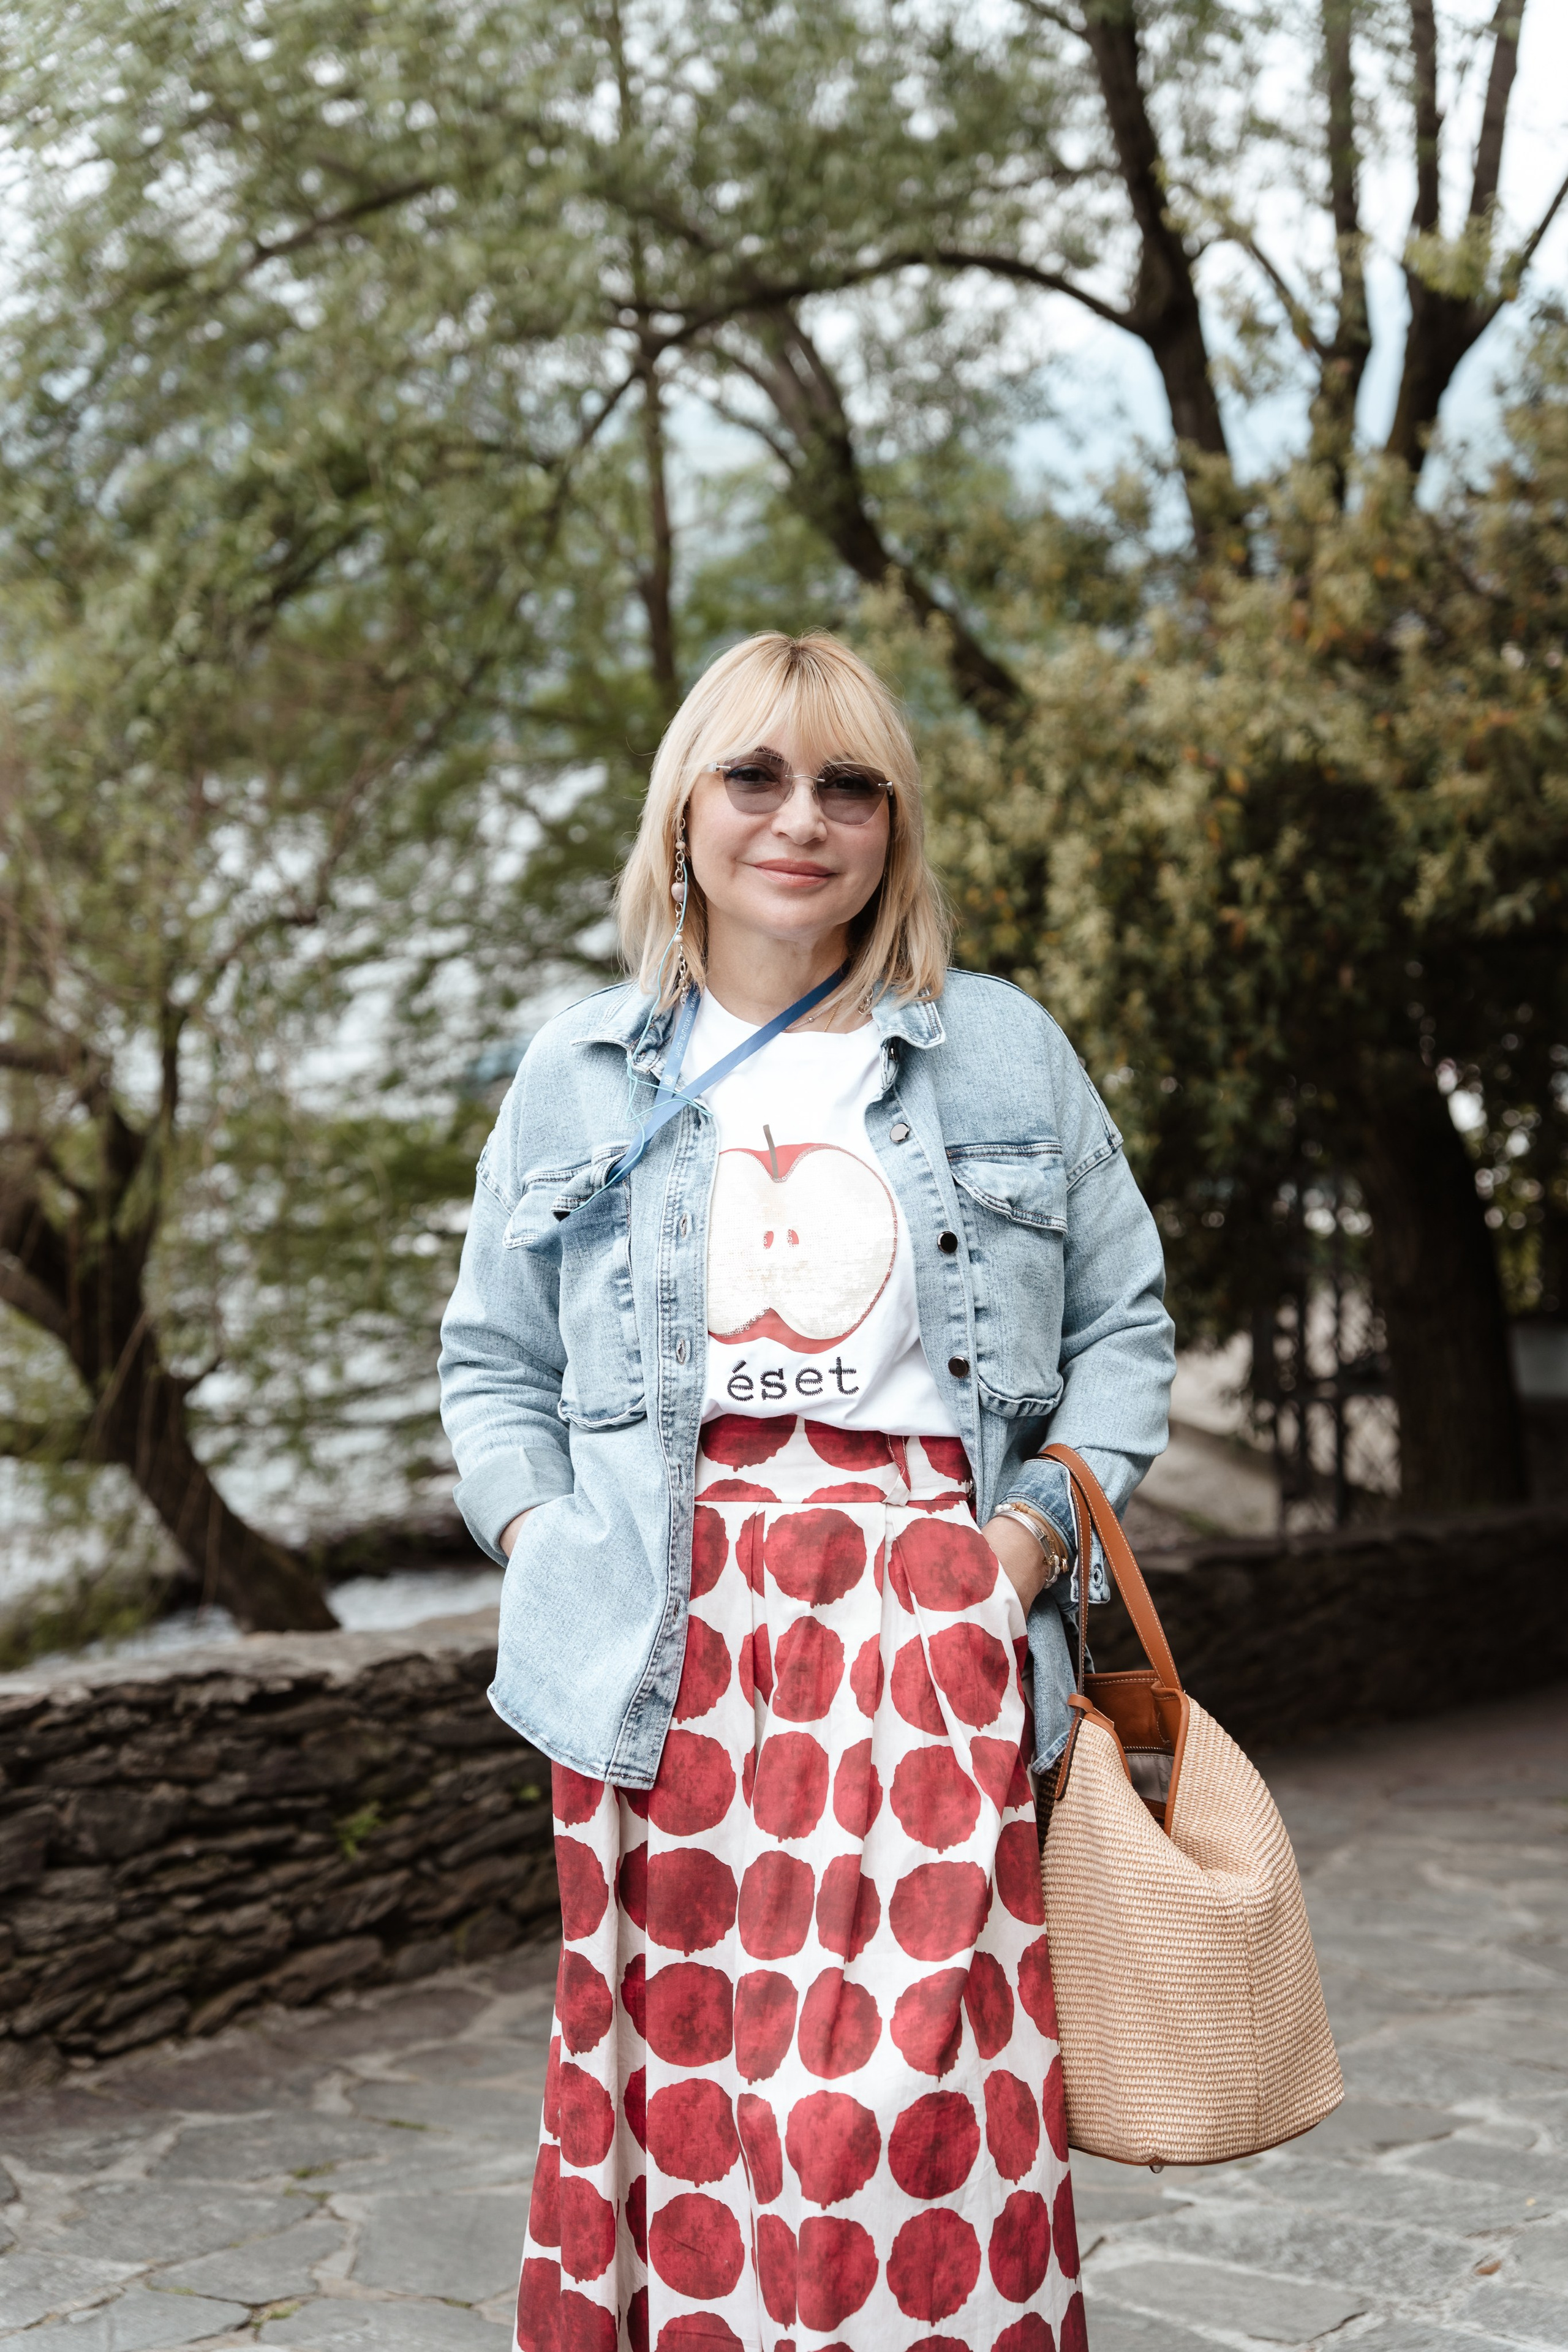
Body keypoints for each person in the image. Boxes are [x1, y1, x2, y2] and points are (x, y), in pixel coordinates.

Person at [439, 630, 1175, 2352]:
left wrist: (1013, 1551)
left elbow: (1123, 1330)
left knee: (896, 2117)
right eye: (755, 776)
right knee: (682, 2086)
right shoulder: (578, 1071)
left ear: (894, 826)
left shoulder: (998, 1052)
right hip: (658, 1629)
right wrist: (546, 1542)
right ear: (683, 811)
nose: (804, 820)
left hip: (922, 1621)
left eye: (852, 785)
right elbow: (492, 1367)